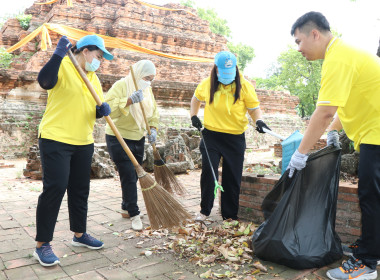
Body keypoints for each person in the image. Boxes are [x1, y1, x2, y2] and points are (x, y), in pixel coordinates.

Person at [288, 11, 380, 280]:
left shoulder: (338, 58)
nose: (299, 49)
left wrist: (300, 153)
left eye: (298, 41)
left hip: (377, 134)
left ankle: (366, 264)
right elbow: (343, 103)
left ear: (314, 34)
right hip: (372, 133)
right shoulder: (343, 53)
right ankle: (371, 247)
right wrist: (333, 133)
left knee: (370, 197)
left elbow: (325, 110)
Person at [34, 34, 114, 266]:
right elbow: (45, 82)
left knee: (80, 189)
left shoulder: (93, 78)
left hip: (83, 141)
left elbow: (90, 106)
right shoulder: (64, 65)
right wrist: (58, 53)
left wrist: (100, 111)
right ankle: (42, 245)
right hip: (55, 138)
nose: (99, 61)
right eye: (98, 56)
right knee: (55, 188)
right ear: (86, 51)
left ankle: (79, 234)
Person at [190, 51, 270, 222]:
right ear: (216, 69)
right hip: (211, 135)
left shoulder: (245, 86)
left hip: (235, 138)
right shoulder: (207, 84)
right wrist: (194, 116)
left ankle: (229, 215)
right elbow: (195, 99)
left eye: (230, 73)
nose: (227, 76)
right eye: (223, 73)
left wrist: (259, 121)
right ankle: (205, 211)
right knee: (208, 173)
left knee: (232, 176)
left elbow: (254, 108)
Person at [105, 60, 159, 231]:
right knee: (128, 173)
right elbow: (107, 109)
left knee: (133, 175)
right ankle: (135, 213)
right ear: (138, 74)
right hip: (118, 136)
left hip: (138, 137)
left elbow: (153, 113)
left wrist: (153, 129)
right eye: (146, 78)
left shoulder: (147, 90)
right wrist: (128, 100)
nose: (148, 82)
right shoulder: (120, 85)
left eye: (151, 79)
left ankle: (125, 207)